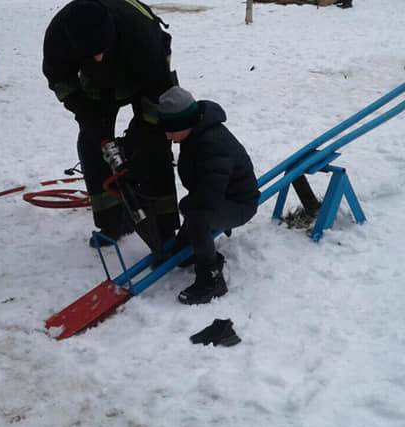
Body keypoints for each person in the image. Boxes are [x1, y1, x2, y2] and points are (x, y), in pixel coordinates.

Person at [42, 0, 180, 250]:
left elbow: (157, 88)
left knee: (153, 144)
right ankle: (112, 221)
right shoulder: (59, 34)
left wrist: (145, 133)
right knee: (91, 143)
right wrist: (88, 117)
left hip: (146, 74)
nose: (98, 56)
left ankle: (165, 224)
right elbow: (61, 80)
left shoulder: (138, 30)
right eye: (91, 53)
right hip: (98, 83)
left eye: (101, 50)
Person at [157, 86, 260, 305]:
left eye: (170, 129)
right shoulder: (195, 134)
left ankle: (211, 279)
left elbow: (209, 196)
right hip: (222, 197)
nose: (167, 135)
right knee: (191, 224)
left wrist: (187, 206)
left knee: (197, 218)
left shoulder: (213, 144)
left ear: (184, 123)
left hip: (239, 203)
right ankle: (191, 250)